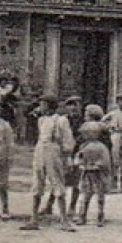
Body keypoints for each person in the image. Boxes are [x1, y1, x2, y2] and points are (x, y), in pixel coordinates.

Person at [23, 94, 76, 232]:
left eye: (43, 104)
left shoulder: (61, 120)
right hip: (41, 149)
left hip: (54, 150)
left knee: (57, 183)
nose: (40, 107)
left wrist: (67, 156)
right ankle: (33, 219)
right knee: (37, 182)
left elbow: (68, 141)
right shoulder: (41, 120)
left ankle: (64, 220)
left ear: (49, 105)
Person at [73, 120, 112, 226]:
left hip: (98, 175)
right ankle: (82, 215)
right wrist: (79, 163)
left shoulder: (101, 147)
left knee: (100, 196)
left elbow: (105, 160)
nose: (85, 135)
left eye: (88, 133)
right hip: (87, 174)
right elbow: (78, 157)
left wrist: (98, 165)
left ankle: (100, 215)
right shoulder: (83, 146)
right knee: (85, 195)